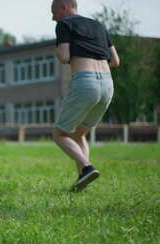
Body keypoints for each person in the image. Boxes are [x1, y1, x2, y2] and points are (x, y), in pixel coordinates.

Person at [51, 0, 120, 191]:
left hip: (85, 82)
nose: (52, 17)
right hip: (107, 85)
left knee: (59, 134)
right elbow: (115, 60)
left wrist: (60, 51)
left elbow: (64, 57)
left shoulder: (64, 24)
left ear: (64, 6)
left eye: (53, 11)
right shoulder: (99, 26)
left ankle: (87, 168)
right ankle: (83, 177)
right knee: (79, 133)